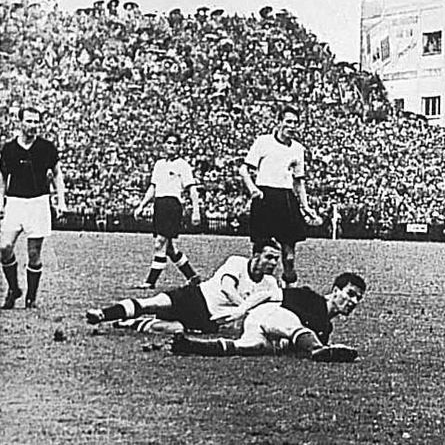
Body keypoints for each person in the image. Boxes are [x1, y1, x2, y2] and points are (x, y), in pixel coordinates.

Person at [85, 239, 282, 334]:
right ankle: (103, 314)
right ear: (255, 255)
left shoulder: (271, 284)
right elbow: (227, 288)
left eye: (276, 259)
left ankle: (129, 323)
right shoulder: (236, 262)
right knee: (154, 303)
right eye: (269, 257)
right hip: (196, 296)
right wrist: (243, 310)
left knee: (174, 329)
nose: (273, 263)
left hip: (210, 318)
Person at [170, 272, 366, 363]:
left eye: (358, 298)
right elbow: (269, 294)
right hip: (264, 316)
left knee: (251, 347)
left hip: (267, 333)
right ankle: (319, 350)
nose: (353, 301)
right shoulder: (310, 297)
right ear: (335, 291)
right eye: (350, 293)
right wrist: (241, 309)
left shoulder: (326, 328)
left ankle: (189, 345)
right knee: (289, 322)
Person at [238, 106, 321, 286]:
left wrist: (305, 206)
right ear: (279, 122)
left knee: (289, 256)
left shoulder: (298, 149)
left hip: (286, 200)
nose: (292, 126)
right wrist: (252, 188)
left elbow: (299, 181)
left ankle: (289, 291)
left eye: (295, 123)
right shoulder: (263, 142)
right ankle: (253, 288)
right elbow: (243, 169)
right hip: (264, 197)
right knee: (262, 253)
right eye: (288, 121)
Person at [0, 106, 67, 309]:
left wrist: (60, 200)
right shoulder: (9, 149)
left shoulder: (46, 148)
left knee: (34, 253)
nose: (33, 125)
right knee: (4, 247)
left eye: (36, 122)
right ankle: (13, 289)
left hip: (38, 202)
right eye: (29, 121)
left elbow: (57, 174)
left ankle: (31, 298)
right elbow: (2, 177)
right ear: (20, 122)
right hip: (15, 202)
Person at [132, 132, 203, 289]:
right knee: (169, 248)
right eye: (169, 143)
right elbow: (153, 187)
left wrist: (196, 210)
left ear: (179, 147)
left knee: (160, 243)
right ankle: (192, 277)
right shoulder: (159, 165)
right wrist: (142, 205)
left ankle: (150, 282)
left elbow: (192, 189)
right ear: (164, 145)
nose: (171, 146)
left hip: (172, 205)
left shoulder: (183, 165)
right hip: (159, 205)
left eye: (175, 143)